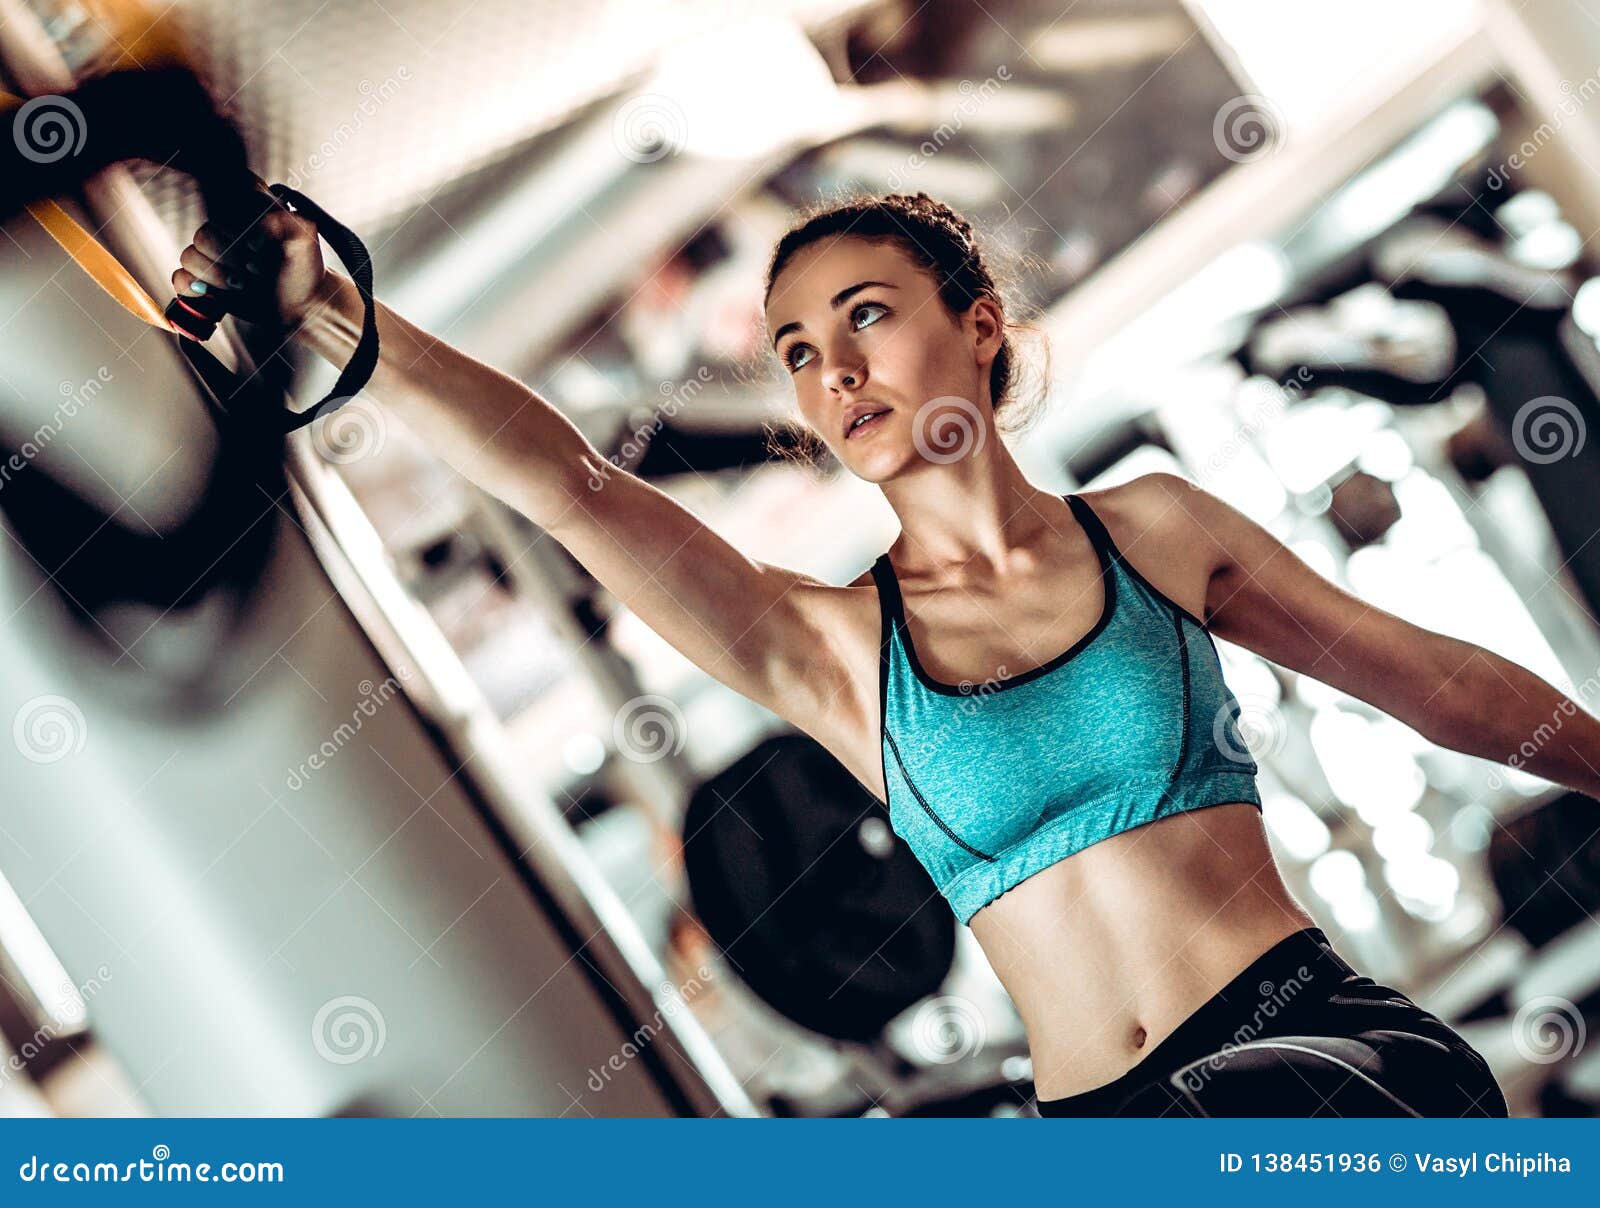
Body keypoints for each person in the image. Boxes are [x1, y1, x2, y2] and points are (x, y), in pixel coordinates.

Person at [175, 189, 1598, 1118]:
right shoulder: (832, 651)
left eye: (866, 316)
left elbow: (1440, 682)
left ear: (978, 330)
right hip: (1111, 1122)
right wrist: (338, 310)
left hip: (1323, 1059)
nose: (835, 371)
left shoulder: (1152, 532)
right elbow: (570, 490)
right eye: (797, 349)